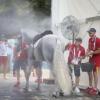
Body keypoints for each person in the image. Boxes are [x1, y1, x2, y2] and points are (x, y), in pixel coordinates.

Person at [86, 28, 100, 95]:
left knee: (95, 73)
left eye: (90, 33)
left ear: (94, 32)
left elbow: (99, 50)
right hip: (91, 58)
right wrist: (87, 51)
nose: (89, 34)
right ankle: (90, 86)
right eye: (88, 33)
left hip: (97, 59)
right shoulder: (89, 39)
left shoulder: (98, 40)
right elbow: (89, 48)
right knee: (89, 71)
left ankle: (95, 88)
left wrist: (92, 52)